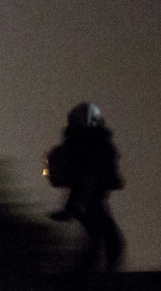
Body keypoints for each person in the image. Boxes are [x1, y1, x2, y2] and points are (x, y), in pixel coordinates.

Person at [46, 102, 125, 271]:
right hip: (89, 203)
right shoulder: (89, 145)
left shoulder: (81, 144)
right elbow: (87, 178)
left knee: (97, 243)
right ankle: (102, 283)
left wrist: (68, 208)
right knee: (111, 243)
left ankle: (86, 280)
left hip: (85, 203)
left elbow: (80, 181)